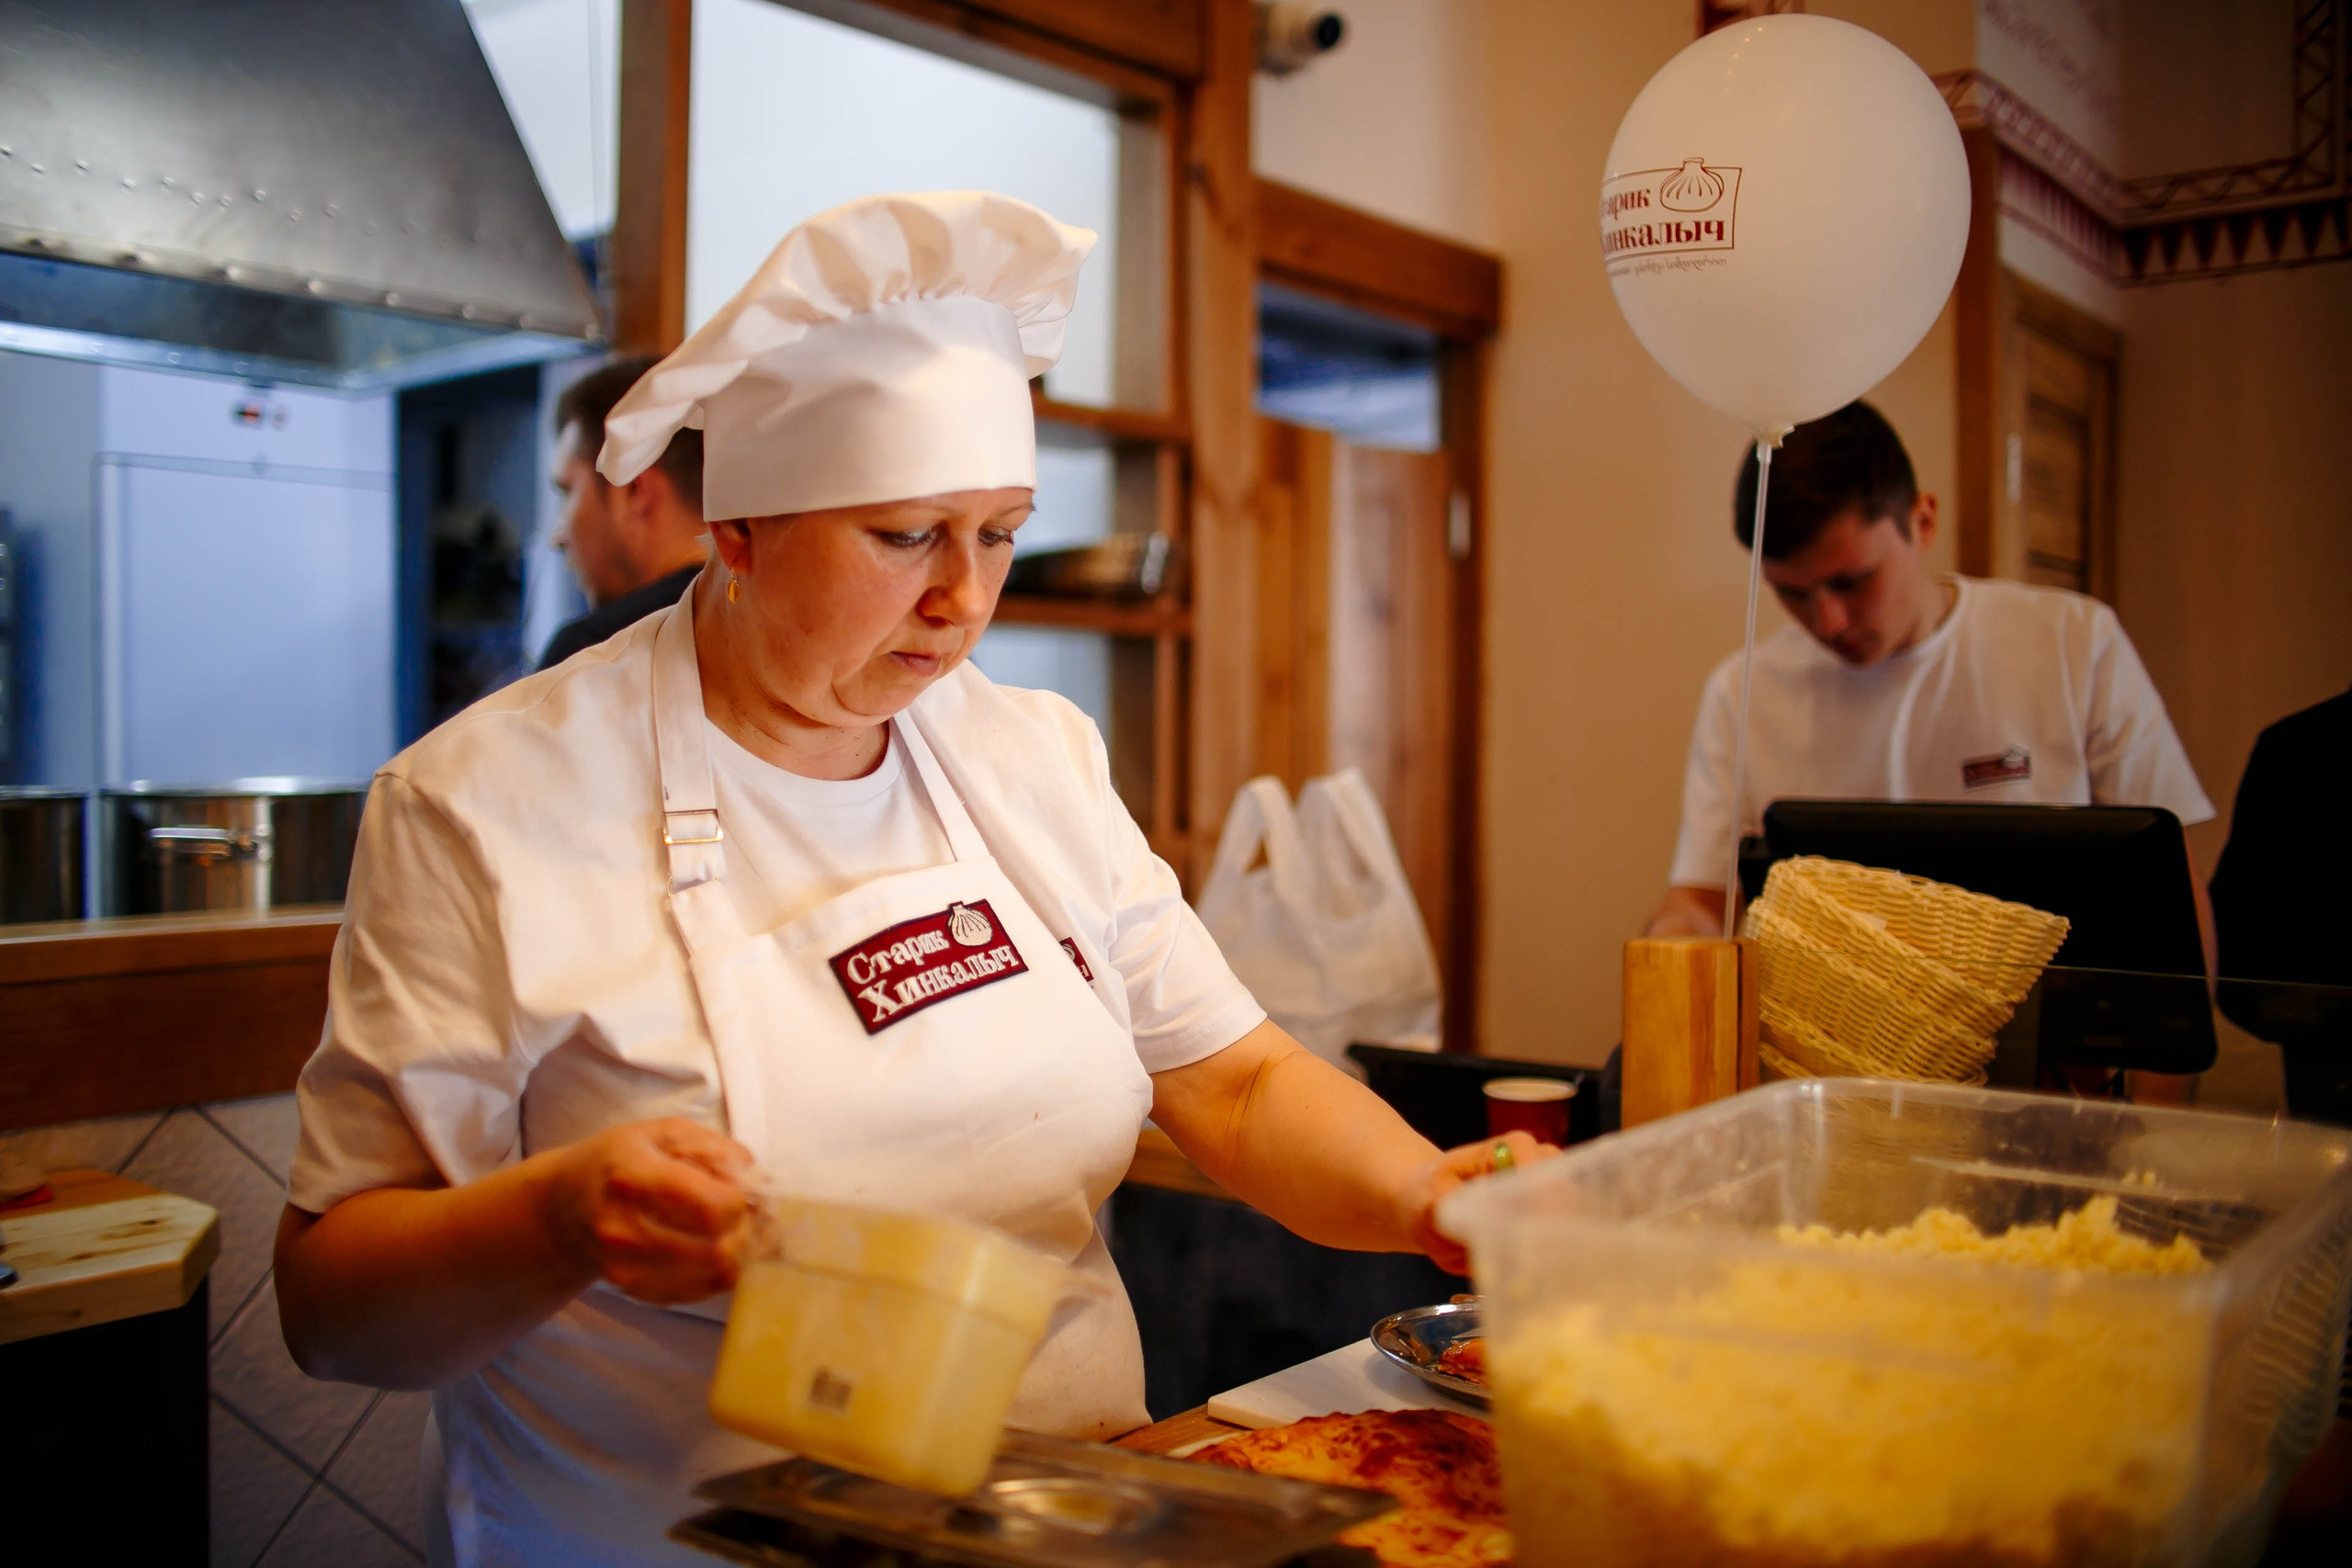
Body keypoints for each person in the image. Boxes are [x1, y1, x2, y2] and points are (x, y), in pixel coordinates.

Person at [272, 193, 1536, 1568]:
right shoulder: (481, 805)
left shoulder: (1033, 754)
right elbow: (333, 1311)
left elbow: (1233, 1085)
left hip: (1073, 1518)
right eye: (905, 535)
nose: (963, 600)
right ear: (738, 528)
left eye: (998, 533)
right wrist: (560, 1216)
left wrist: (1426, 1195)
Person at [1646, 400, 2214, 942]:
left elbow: (2171, 896)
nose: (1828, 621)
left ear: (1923, 522)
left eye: (1851, 581)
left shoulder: (2074, 643)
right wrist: (1670, 943)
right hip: (1829, 1009)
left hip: (2045, 1002)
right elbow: (1702, 903)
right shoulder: (1743, 690)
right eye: (1792, 593)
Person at [537, 355, 710, 670]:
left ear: (634, 489)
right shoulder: (761, 631)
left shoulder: (593, 656)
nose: (557, 537)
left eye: (568, 492)